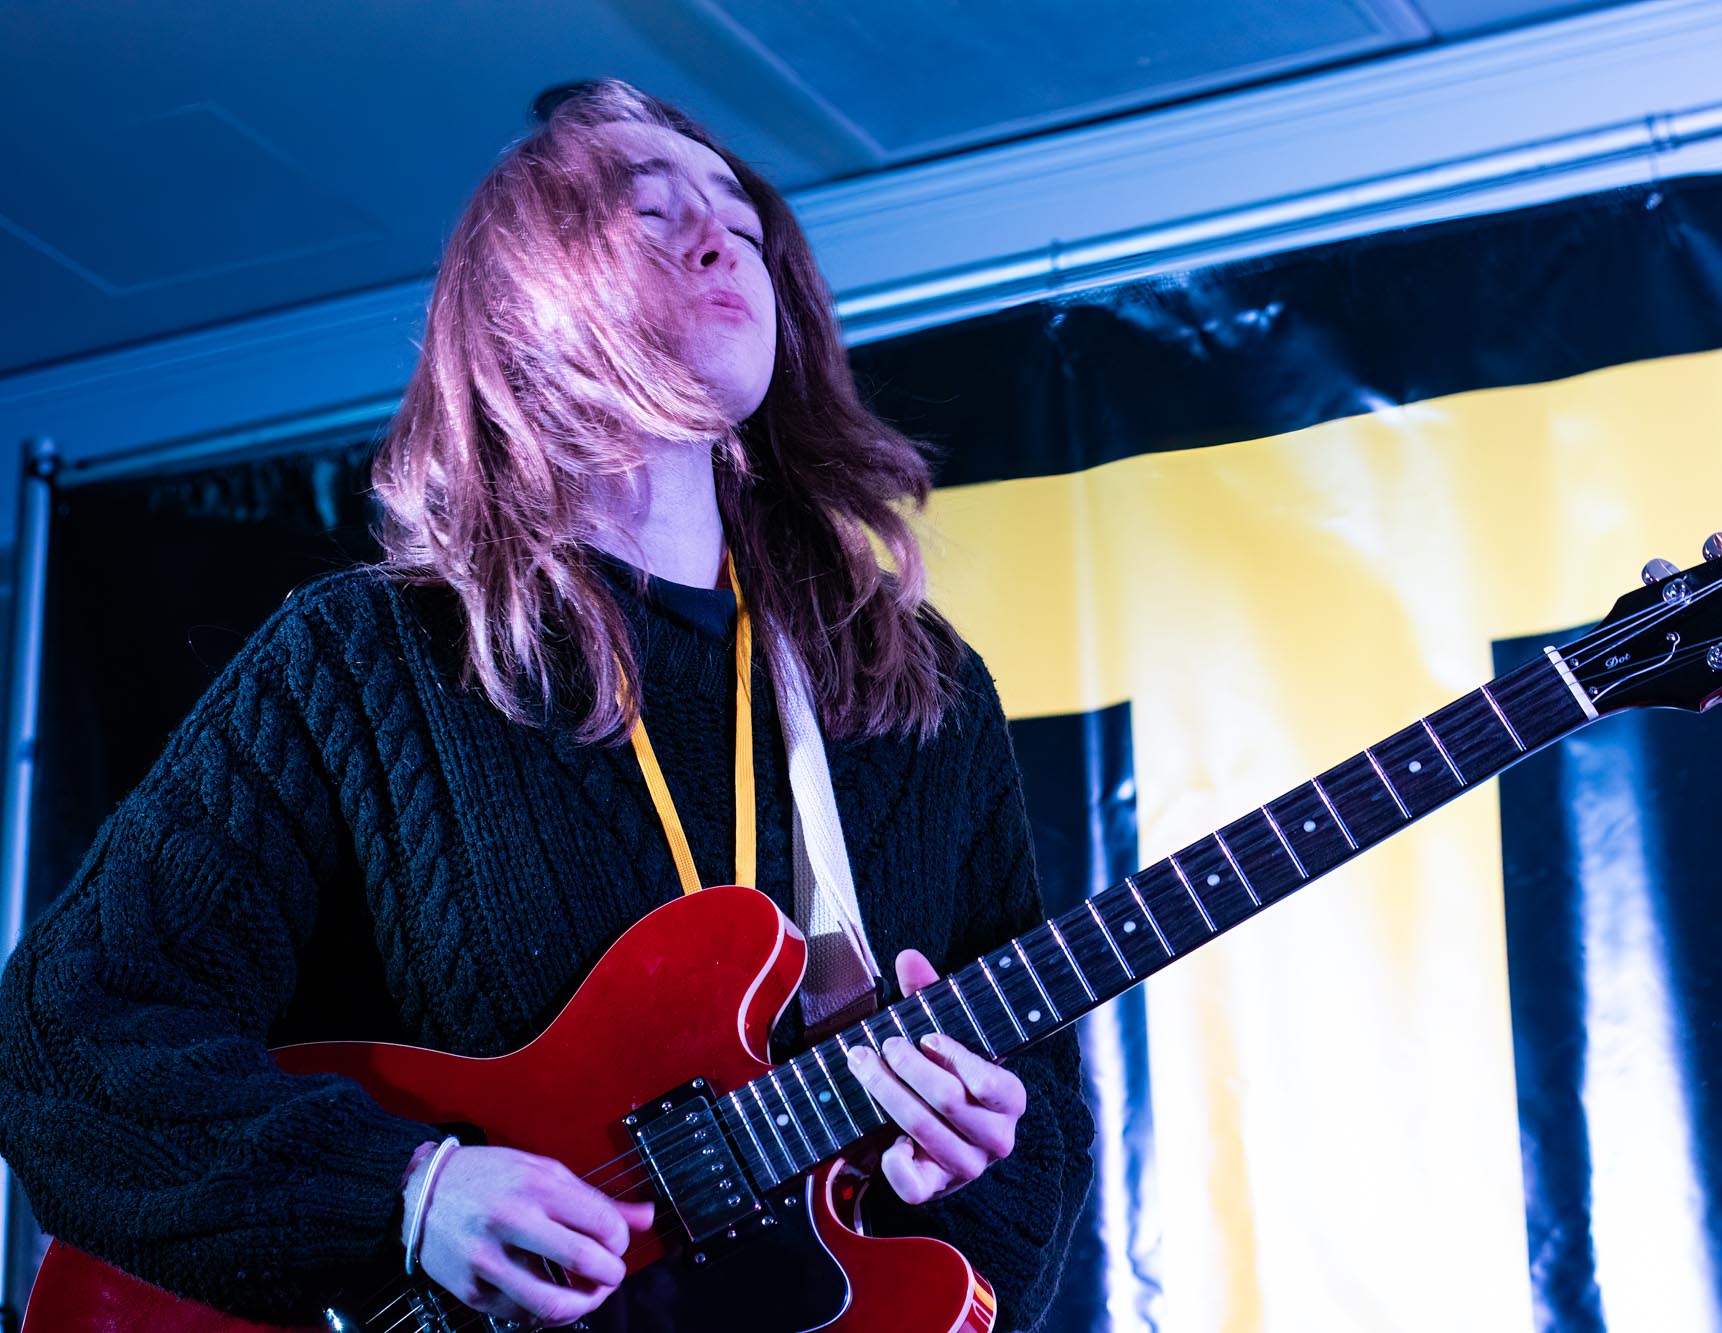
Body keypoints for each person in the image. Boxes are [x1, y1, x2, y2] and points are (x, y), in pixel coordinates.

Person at [0, 79, 1093, 1330]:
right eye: (651, 209)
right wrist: (408, 1196)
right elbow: (70, 1040)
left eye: (739, 217)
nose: (719, 235)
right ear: (527, 300)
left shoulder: (920, 699)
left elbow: (1037, 1130)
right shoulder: (366, 658)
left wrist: (958, 1162)